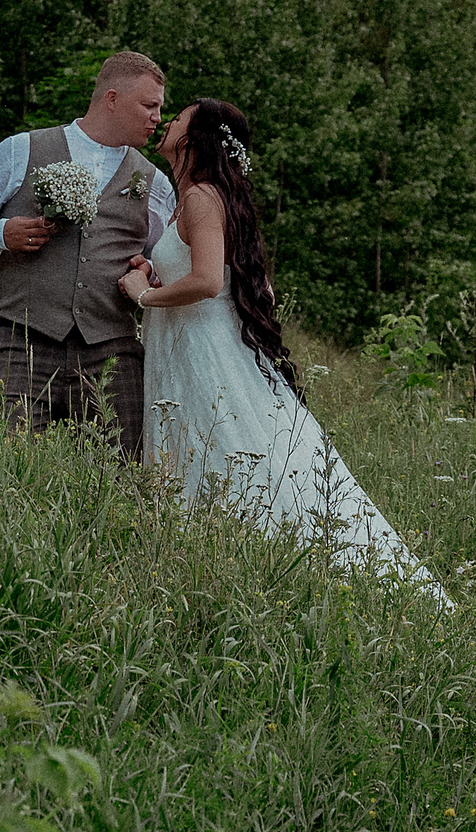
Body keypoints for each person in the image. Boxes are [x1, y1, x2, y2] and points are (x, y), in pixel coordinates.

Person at [120, 97, 448, 603]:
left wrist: (142, 295)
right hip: (190, 343)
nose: (167, 121)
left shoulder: (203, 198)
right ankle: (200, 570)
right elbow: (232, 281)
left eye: (179, 115)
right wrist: (154, 271)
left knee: (227, 450)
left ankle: (302, 575)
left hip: (201, 350)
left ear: (194, 137)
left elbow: (208, 281)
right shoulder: (194, 198)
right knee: (208, 452)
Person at [0, 52, 178, 456]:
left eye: (160, 108)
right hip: (22, 342)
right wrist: (2, 232)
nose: (157, 118)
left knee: (119, 479)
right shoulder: (22, 149)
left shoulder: (153, 181)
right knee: (10, 471)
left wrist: (151, 266)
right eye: (149, 106)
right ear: (112, 98)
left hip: (112, 350)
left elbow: (170, 256)